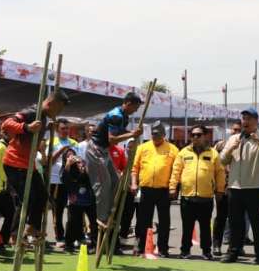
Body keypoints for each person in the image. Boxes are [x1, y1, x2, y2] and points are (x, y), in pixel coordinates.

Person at [2, 89, 70, 242]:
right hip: (14, 163)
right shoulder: (32, 112)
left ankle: (32, 228)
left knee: (42, 196)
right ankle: (19, 234)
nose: (59, 113)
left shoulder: (44, 117)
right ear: (51, 103)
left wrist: (47, 128)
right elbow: (7, 124)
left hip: (27, 165)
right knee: (28, 199)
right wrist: (27, 127)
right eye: (59, 109)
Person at [219, 108, 259, 264]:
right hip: (235, 187)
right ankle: (233, 252)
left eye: (249, 118)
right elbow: (221, 160)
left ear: (256, 121)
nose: (246, 121)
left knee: (257, 222)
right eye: (243, 118)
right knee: (235, 222)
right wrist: (231, 147)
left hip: (255, 187)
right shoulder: (234, 139)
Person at [87, 93, 143, 229]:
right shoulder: (116, 115)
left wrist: (131, 132)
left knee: (116, 181)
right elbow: (112, 139)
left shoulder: (124, 116)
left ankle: (110, 211)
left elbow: (120, 131)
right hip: (96, 149)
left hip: (104, 150)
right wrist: (131, 134)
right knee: (103, 184)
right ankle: (101, 218)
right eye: (135, 108)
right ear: (128, 103)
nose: (135, 111)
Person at [169, 124, 225, 259]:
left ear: (205, 136)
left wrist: (220, 190)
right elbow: (176, 171)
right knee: (187, 227)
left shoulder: (213, 153)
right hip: (187, 197)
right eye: (193, 135)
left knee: (205, 227)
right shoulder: (183, 153)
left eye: (198, 135)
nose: (195, 137)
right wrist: (172, 188)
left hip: (206, 198)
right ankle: (185, 251)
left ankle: (206, 251)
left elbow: (220, 173)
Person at [132, 121, 179, 257]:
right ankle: (142, 247)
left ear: (164, 135)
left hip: (164, 190)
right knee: (143, 220)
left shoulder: (172, 149)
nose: (155, 137)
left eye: (158, 135)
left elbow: (176, 171)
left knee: (164, 221)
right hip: (146, 189)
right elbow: (135, 168)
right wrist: (134, 184)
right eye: (153, 134)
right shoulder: (143, 148)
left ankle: (163, 249)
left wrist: (173, 188)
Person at [212, 122, 240, 256]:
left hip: (238, 186)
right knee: (221, 217)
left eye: (238, 130)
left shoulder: (245, 144)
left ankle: (235, 247)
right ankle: (216, 245)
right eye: (234, 130)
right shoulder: (220, 145)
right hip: (222, 187)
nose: (236, 132)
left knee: (236, 219)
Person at [61, 150, 97, 253]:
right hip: (75, 201)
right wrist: (68, 165)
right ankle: (69, 245)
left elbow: (90, 180)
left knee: (94, 222)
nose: (72, 157)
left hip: (89, 199)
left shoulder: (82, 165)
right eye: (69, 156)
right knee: (73, 223)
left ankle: (94, 244)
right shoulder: (66, 168)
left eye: (73, 155)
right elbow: (65, 180)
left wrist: (84, 169)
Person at [49, 118, 78, 246]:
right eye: (62, 128)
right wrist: (61, 150)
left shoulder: (74, 143)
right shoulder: (52, 141)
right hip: (56, 181)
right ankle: (59, 237)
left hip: (71, 181)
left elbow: (79, 161)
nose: (65, 131)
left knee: (74, 209)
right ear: (57, 130)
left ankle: (73, 236)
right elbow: (49, 161)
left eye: (67, 128)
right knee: (58, 210)